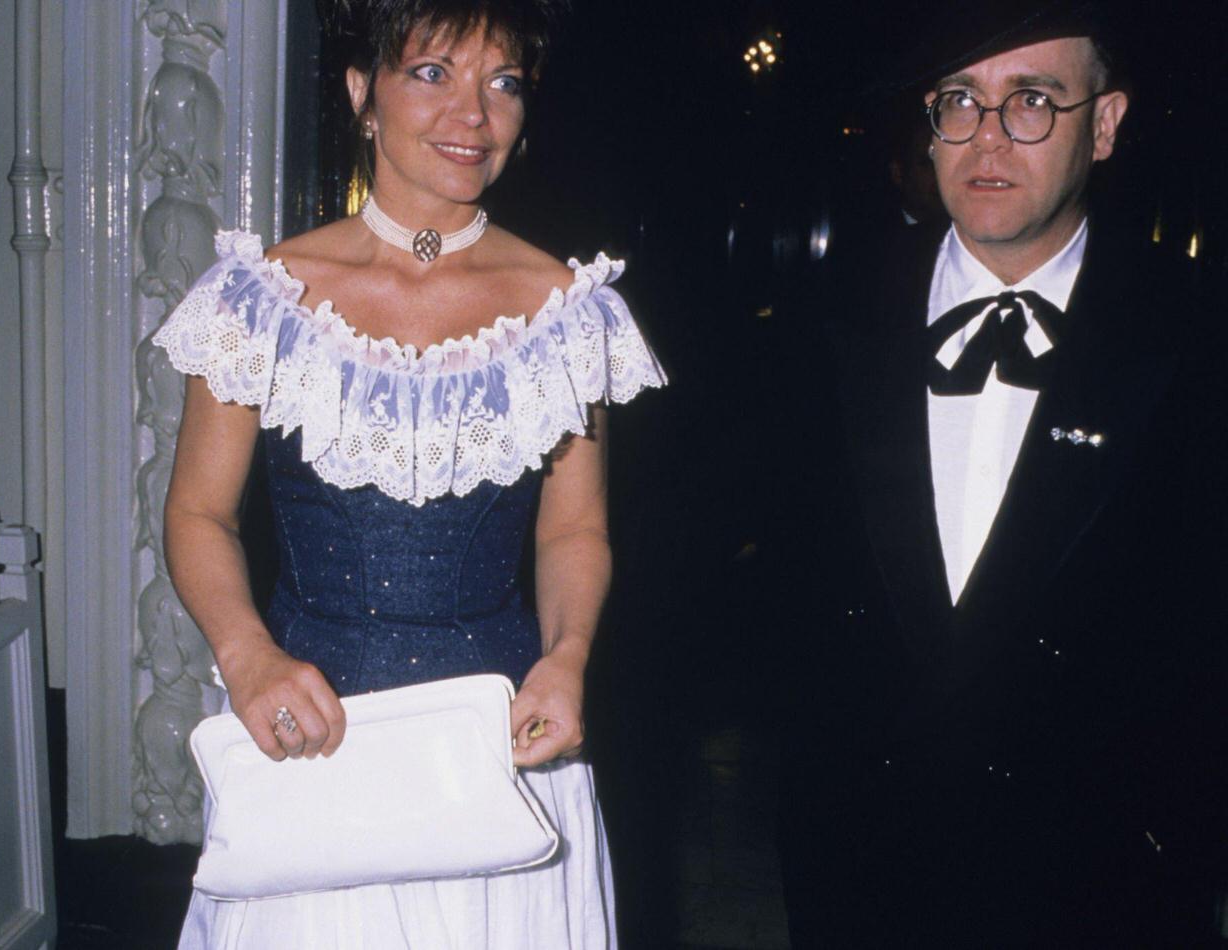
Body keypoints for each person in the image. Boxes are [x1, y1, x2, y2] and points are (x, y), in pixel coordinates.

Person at [153, 0, 666, 945]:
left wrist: (567, 659)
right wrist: (248, 655)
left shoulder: (567, 311)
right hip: (313, 750)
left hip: (500, 756)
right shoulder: (260, 296)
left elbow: (572, 530)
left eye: (502, 83)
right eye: (433, 73)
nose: (472, 116)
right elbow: (195, 514)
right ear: (363, 93)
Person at [765, 3, 1228, 946]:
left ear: (1103, 124)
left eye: (1031, 101)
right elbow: (776, 622)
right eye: (958, 102)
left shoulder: (1194, 340)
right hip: (865, 890)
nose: (986, 138)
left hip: (1104, 897)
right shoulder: (814, 330)